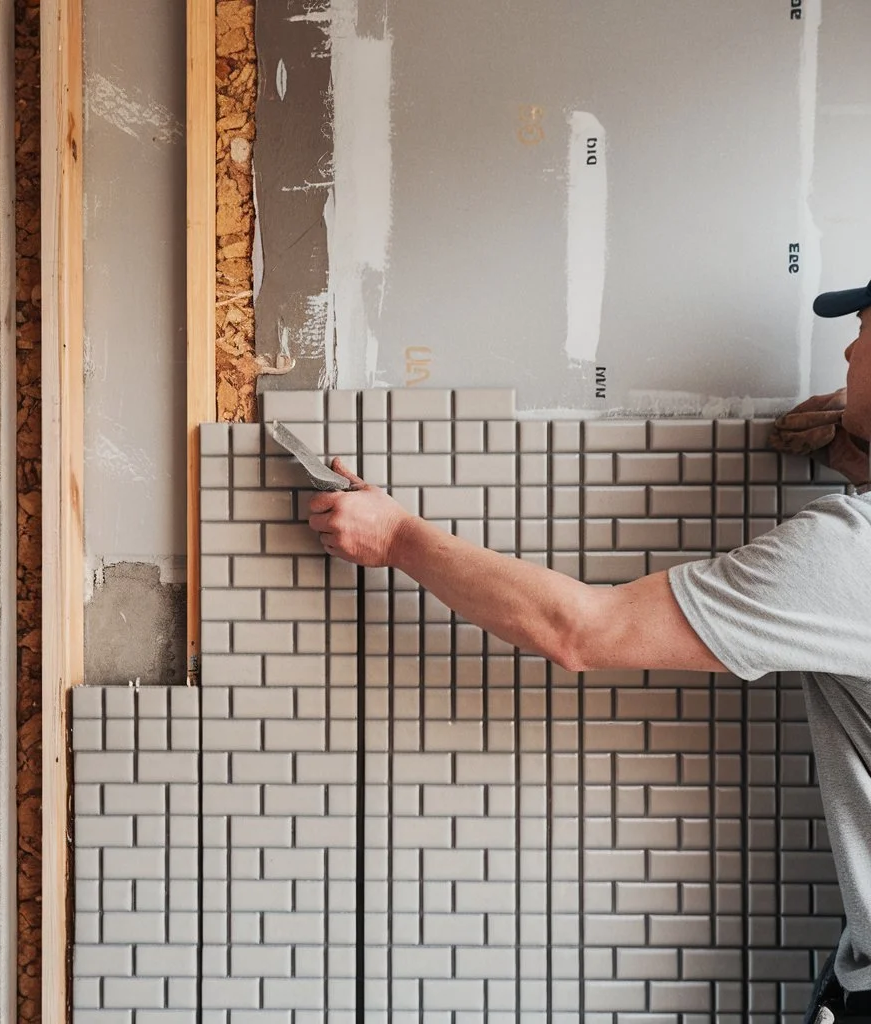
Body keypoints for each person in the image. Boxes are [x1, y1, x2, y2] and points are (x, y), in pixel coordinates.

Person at [307, 280, 871, 1023]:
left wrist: (397, 538)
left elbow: (580, 631)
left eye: (865, 331)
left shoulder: (847, 554)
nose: (849, 349)